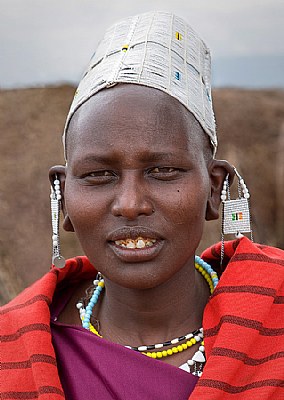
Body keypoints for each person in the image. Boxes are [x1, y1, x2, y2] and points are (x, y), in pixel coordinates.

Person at [1, 11, 283, 400]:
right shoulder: (12, 349)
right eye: (99, 175)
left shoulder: (275, 313)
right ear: (63, 194)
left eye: (164, 170)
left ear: (214, 190)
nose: (130, 205)